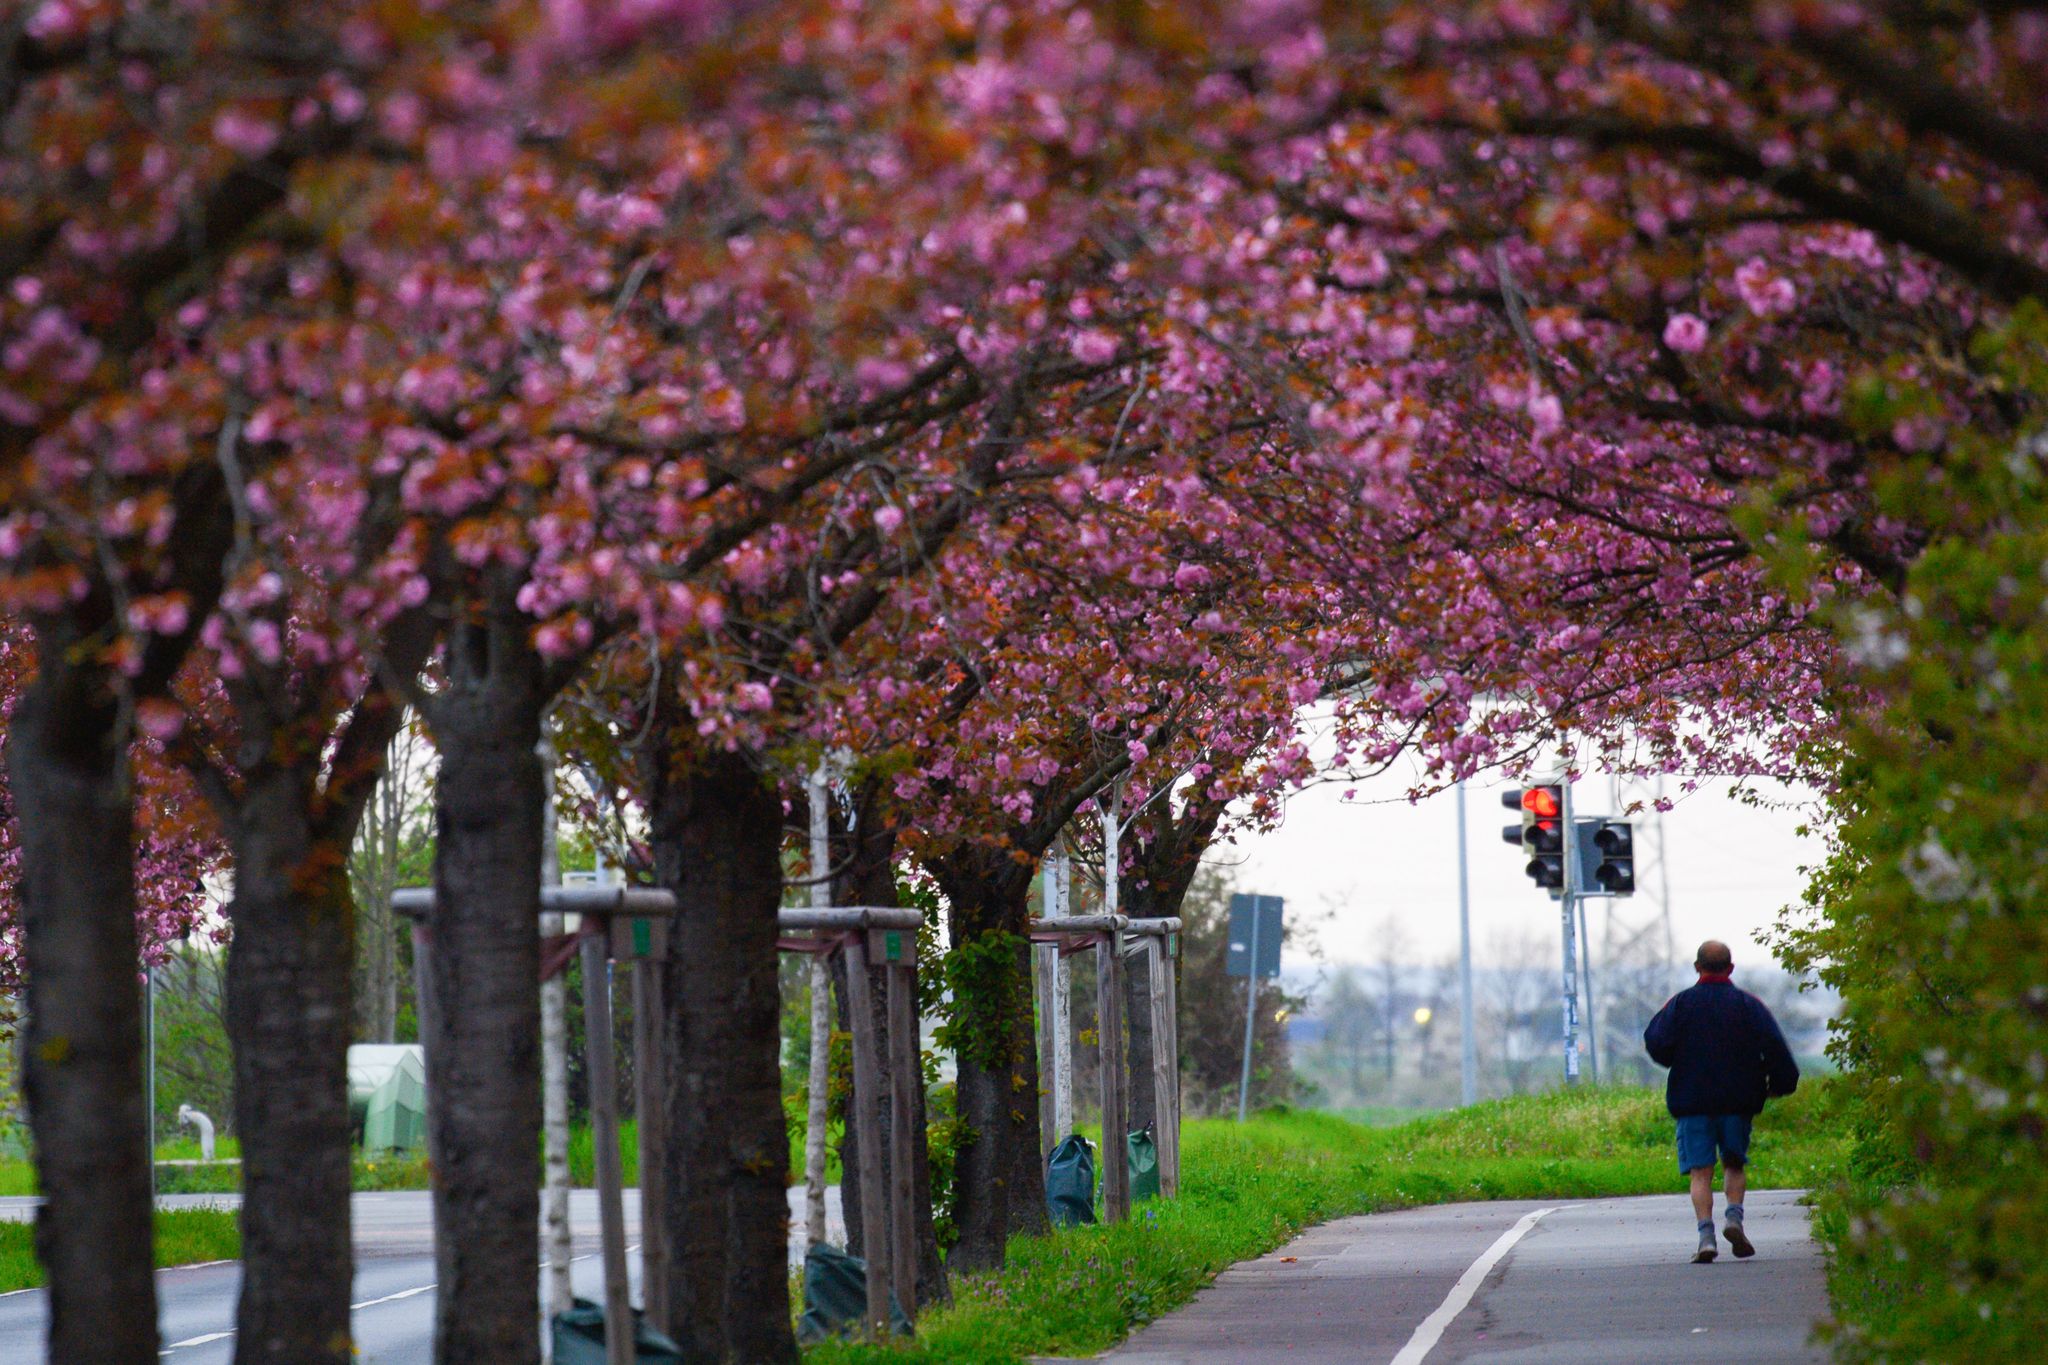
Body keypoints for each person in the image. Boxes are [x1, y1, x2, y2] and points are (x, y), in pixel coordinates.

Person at [1644, 939, 1800, 1263]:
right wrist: (1779, 1084)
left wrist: (1677, 1059)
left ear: (1697, 967)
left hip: (1693, 1101)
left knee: (1700, 1172)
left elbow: (1655, 1041)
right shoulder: (1748, 1005)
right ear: (1731, 968)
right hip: (1738, 1101)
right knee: (1734, 1162)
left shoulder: (1680, 1004)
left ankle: (1706, 1237)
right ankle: (1734, 1218)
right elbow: (1775, 1047)